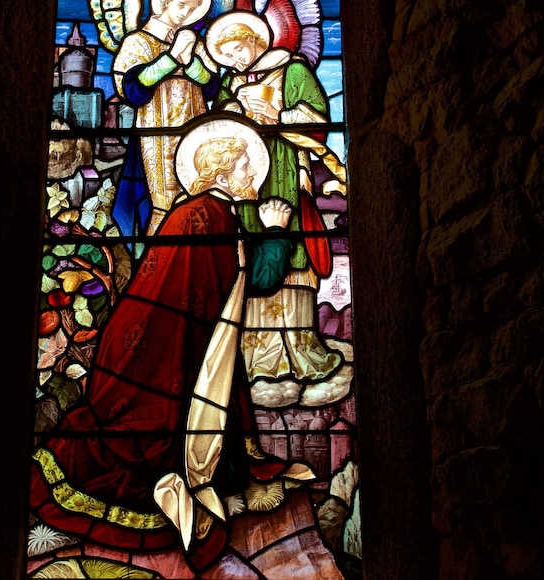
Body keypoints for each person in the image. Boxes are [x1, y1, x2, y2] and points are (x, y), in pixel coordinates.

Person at [29, 118, 315, 571]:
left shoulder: (197, 211)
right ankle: (177, 489)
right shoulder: (210, 218)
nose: (252, 177)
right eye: (244, 167)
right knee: (144, 450)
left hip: (154, 356)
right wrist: (276, 230)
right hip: (164, 369)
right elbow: (253, 279)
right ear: (221, 175)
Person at [207, 11, 344, 384]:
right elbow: (217, 125)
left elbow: (319, 122)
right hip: (245, 175)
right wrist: (234, 108)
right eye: (227, 57)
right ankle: (258, 356)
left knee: (293, 244)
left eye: (238, 50)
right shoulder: (232, 82)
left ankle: (301, 351)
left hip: (283, 169)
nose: (235, 61)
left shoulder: (293, 70)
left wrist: (277, 114)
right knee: (253, 249)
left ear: (256, 39)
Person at [111, 0, 220, 238]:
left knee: (197, 202)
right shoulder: (137, 42)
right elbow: (132, 90)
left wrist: (190, 62)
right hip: (154, 140)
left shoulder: (195, 44)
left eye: (193, 9)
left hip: (195, 136)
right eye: (182, 5)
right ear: (162, 3)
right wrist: (170, 58)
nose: (186, 14)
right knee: (160, 207)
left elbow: (213, 88)